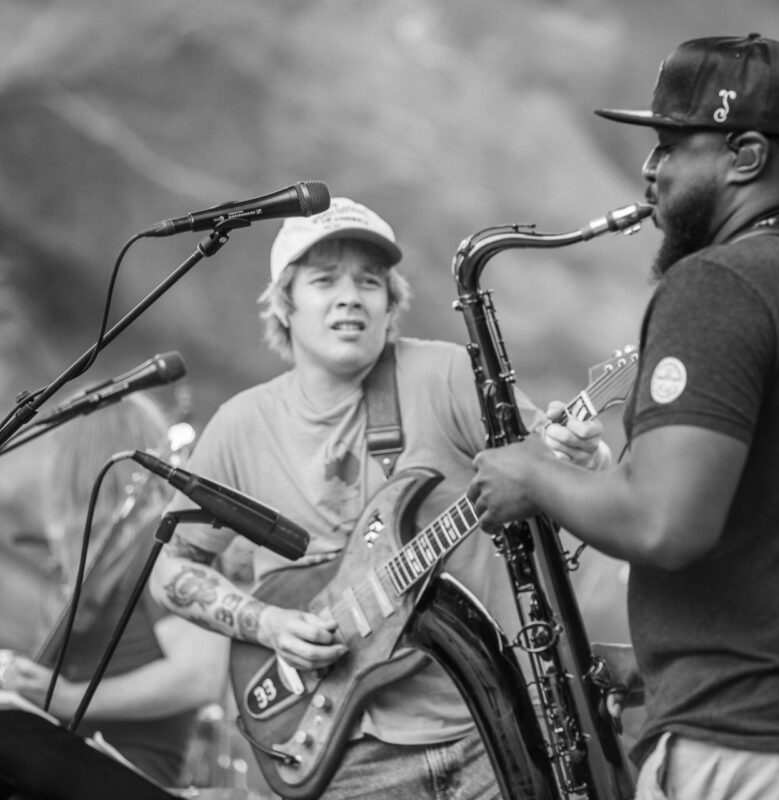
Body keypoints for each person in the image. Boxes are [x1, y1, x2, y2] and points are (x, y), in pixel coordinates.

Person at [467, 34, 779, 800]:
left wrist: (534, 475)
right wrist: (604, 478)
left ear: (746, 156)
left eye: (670, 145)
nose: (650, 170)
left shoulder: (718, 284)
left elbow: (666, 526)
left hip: (756, 755)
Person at [148, 197, 609, 799]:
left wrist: (583, 457)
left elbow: (549, 475)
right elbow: (173, 568)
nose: (351, 296)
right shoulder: (241, 427)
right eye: (324, 281)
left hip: (490, 731)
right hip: (345, 752)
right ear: (284, 304)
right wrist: (268, 624)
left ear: (390, 304)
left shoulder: (443, 375)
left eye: (370, 282)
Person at [0, 393, 229, 787]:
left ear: (79, 462)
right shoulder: (81, 561)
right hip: (61, 769)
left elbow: (200, 675)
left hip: (122, 778)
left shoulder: (162, 542)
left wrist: (71, 698)